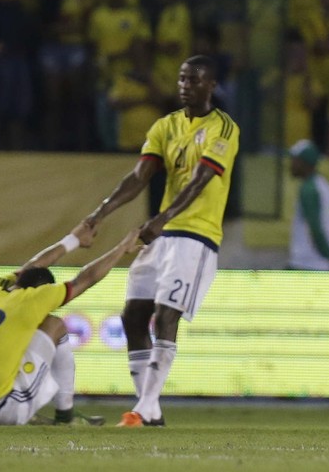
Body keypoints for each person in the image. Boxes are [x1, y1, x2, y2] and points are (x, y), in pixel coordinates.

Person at [77, 55, 239, 427]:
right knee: (134, 314)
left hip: (195, 236)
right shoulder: (166, 125)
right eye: (181, 79)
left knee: (167, 314)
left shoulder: (224, 128)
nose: (185, 86)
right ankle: (149, 408)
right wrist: (99, 214)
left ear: (211, 85)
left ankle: (146, 407)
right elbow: (139, 176)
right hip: (162, 235)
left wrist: (162, 218)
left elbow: (202, 180)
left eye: (194, 80)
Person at [0, 223, 141, 426]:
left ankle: (26, 409)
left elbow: (33, 265)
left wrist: (73, 240)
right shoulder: (35, 298)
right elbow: (87, 278)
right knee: (55, 325)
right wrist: (122, 249)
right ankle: (66, 416)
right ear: (40, 289)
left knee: (25, 339)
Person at [288, 139, 329, 271]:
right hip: (321, 263)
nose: (291, 164)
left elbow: (315, 227)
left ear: (305, 163)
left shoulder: (309, 189)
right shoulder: (323, 186)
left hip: (308, 263)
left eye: (295, 160)